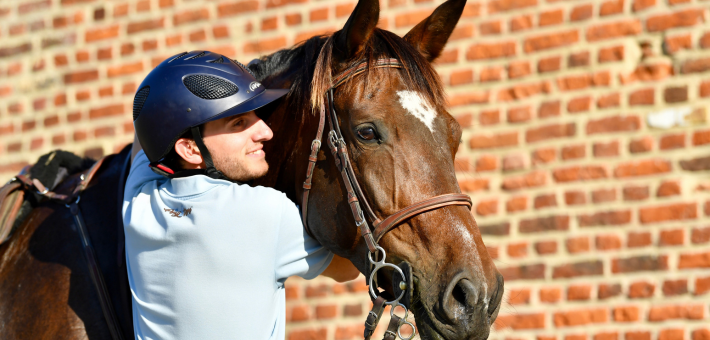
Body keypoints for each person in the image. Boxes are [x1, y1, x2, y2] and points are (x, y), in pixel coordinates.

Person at [123, 51, 359, 340]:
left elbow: (143, 135)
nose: (265, 132)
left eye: (256, 115)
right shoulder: (264, 212)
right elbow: (348, 270)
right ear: (190, 149)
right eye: (238, 123)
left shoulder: (138, 201)